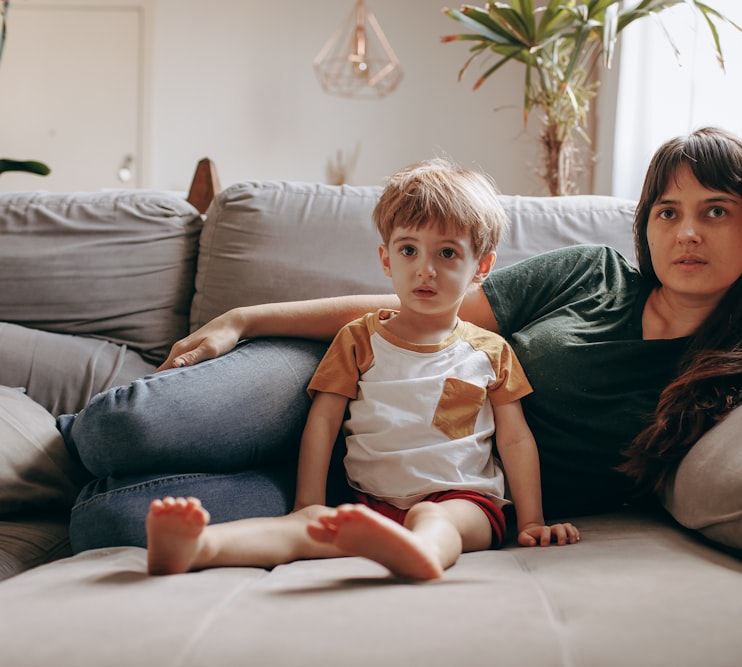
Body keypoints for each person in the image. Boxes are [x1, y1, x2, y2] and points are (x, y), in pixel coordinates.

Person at [60, 127, 742, 551]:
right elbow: (422, 311)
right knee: (116, 429)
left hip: (423, 495)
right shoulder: (590, 275)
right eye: (668, 211)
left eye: (716, 212)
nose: (686, 233)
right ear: (646, 225)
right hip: (340, 377)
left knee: (106, 517)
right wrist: (249, 315)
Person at [143, 159, 580, 579]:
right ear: (387, 259)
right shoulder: (358, 339)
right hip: (370, 507)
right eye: (409, 250)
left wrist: (532, 519)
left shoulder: (491, 351)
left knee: (434, 515)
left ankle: (422, 551)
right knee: (305, 528)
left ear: (480, 268)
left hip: (465, 502)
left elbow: (516, 438)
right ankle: (199, 547)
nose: (425, 269)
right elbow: (323, 421)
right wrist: (309, 502)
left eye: (447, 253)